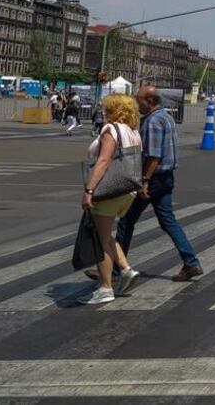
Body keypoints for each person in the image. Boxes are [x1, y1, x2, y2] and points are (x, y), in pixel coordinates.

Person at [108, 86, 203, 282]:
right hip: (166, 177)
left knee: (126, 221)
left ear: (149, 102)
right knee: (168, 221)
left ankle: (116, 269)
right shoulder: (166, 117)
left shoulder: (152, 121)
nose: (136, 103)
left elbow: (153, 156)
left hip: (153, 178)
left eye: (139, 99)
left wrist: (144, 181)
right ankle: (191, 262)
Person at [79, 94, 143, 304]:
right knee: (105, 234)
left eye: (107, 108)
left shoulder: (111, 130)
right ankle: (125, 269)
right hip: (127, 190)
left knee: (100, 240)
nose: (103, 111)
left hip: (109, 190)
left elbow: (104, 161)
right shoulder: (133, 132)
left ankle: (105, 288)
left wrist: (89, 190)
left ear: (115, 110)